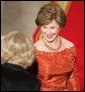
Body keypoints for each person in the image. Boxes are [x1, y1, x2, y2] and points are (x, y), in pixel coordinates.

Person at [34, 4, 80, 91]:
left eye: (52, 28)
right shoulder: (35, 50)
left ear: (60, 26)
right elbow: (30, 82)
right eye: (44, 27)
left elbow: (73, 77)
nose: (48, 32)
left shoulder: (70, 46)